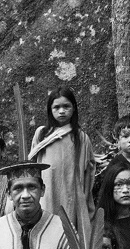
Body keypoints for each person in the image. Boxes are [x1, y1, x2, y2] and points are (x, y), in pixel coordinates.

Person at [29, 87, 95, 229]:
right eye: (56, 107)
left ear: (74, 108)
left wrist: (86, 205)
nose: (61, 111)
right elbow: (32, 167)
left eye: (66, 106)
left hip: (71, 195)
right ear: (50, 110)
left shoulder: (81, 138)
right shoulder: (41, 134)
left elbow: (88, 174)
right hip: (46, 194)